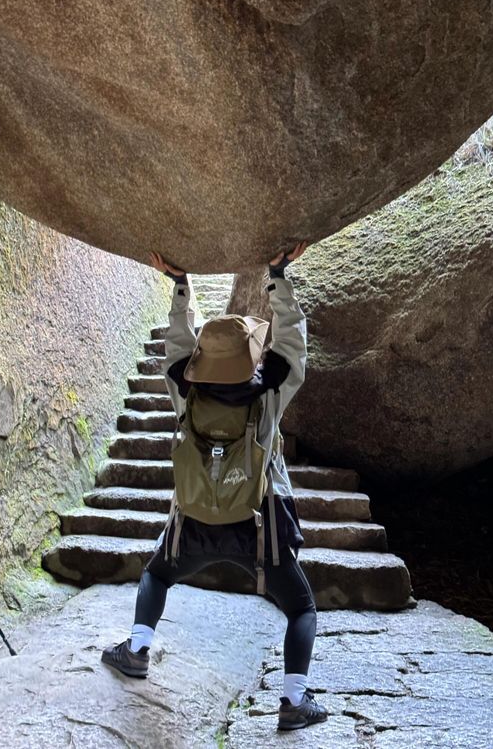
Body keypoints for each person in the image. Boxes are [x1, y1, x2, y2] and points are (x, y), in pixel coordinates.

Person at [102, 242, 328, 731]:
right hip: (259, 528)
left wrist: (180, 287)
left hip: (197, 525)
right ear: (248, 357)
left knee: (156, 575)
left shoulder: (185, 388)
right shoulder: (268, 391)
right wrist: (278, 276)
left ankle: (137, 651)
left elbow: (176, 346)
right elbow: (294, 345)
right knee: (302, 607)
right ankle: (293, 702)